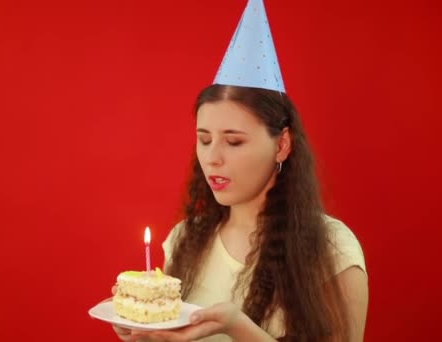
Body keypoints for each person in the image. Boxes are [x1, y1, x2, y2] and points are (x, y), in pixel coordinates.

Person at [112, 1, 368, 341]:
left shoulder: (333, 249)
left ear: (282, 145)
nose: (213, 158)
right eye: (204, 140)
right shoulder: (184, 240)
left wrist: (239, 328)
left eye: (234, 142)